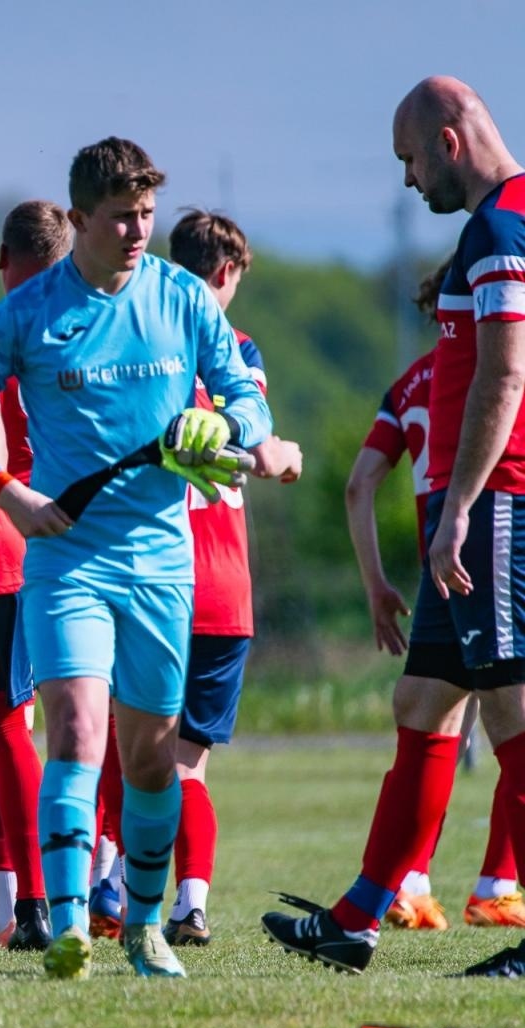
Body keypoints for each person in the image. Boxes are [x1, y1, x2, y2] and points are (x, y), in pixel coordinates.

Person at [0, 136, 272, 980]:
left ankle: (146, 926)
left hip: (162, 562)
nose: (138, 230)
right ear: (78, 218)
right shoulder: (29, 312)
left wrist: (226, 427)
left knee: (151, 757)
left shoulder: (185, 298)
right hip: (67, 561)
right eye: (121, 217)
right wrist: (11, 495)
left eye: (147, 213)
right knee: (76, 729)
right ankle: (72, 923)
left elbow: (251, 402)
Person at [265, 75, 525, 979]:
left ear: (448, 141)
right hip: (483, 505)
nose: (409, 181)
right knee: (422, 702)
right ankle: (359, 916)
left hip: (497, 503)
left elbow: (503, 377)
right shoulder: (491, 229)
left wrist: (456, 509)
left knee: (513, 702)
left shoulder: (501, 226)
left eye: (410, 159)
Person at [347, 258, 523, 932]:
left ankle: (399, 884)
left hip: (437, 551)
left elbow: (359, 483)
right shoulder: (494, 371)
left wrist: (374, 582)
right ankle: (496, 882)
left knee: (431, 710)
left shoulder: (410, 381)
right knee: (503, 706)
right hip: (494, 533)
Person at [160, 210, 304, 947]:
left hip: (151, 578)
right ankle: (188, 900)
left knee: (133, 746)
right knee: (189, 762)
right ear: (226, 274)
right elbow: (261, 443)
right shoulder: (238, 351)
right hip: (222, 587)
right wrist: (281, 453)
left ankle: (113, 882)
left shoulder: (144, 344)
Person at [0, 200, 72, 952]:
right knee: (32, 731)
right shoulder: (90, 331)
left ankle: (28, 903)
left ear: (4, 261)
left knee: (0, 729)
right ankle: (36, 904)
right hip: (65, 545)